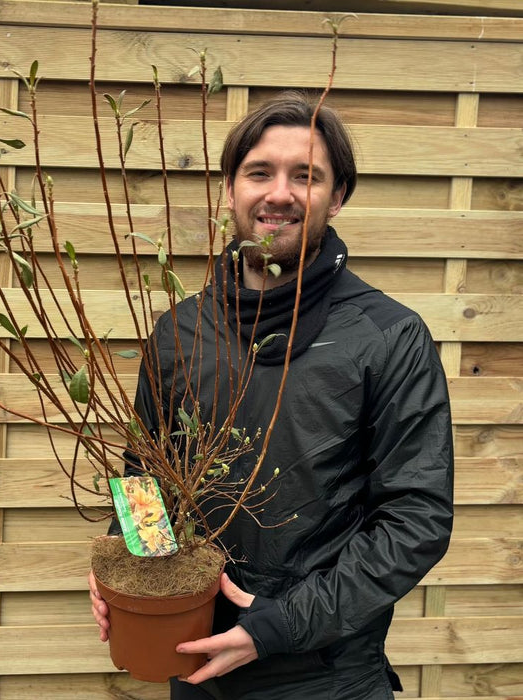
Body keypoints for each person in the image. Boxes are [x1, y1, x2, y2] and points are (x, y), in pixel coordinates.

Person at [89, 91, 454, 699]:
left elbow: (416, 518)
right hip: (194, 660)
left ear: (336, 198)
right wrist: (134, 570)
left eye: (305, 176)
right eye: (259, 172)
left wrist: (282, 625)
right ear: (230, 190)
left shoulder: (389, 337)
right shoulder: (181, 331)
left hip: (327, 676)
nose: (279, 193)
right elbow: (144, 478)